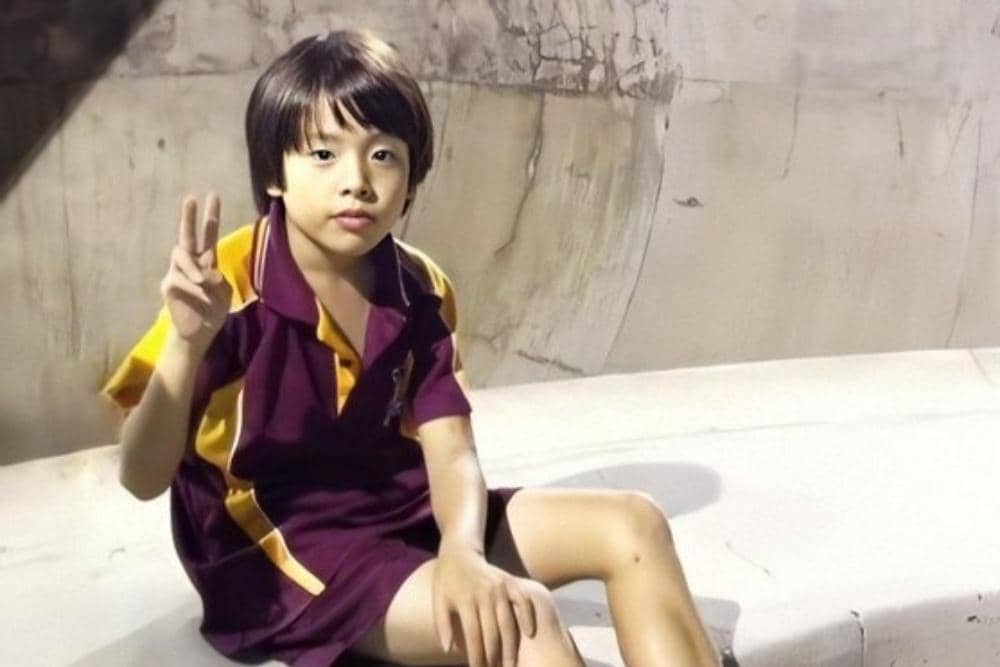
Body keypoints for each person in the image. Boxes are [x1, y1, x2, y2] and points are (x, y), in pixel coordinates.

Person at [102, 29, 721, 667]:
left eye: (383, 155)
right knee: (522, 620)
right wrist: (186, 344)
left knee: (634, 524)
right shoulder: (226, 286)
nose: (356, 182)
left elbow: (451, 450)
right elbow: (140, 478)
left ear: (412, 178)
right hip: (284, 557)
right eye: (323, 154)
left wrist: (462, 551)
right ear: (274, 174)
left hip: (406, 516)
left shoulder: (421, 286)